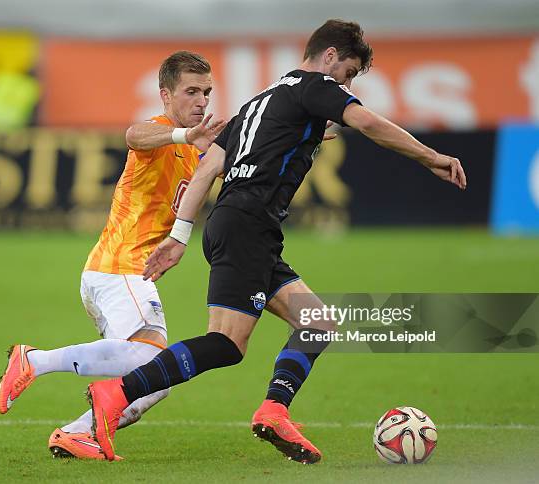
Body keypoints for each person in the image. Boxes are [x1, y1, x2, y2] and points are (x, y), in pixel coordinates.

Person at [86, 19, 467, 464]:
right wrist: (432, 157)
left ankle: (274, 410)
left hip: (246, 229)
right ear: (329, 57)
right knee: (227, 344)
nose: (346, 84)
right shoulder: (314, 85)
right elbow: (366, 121)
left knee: (318, 323)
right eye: (347, 73)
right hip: (247, 226)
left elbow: (209, 169)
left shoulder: (259, 102)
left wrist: (180, 235)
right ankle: (116, 392)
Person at [0, 51, 226, 460]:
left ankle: (76, 433)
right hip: (120, 268)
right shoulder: (162, 132)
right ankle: (35, 360)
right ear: (165, 95)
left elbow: (238, 156)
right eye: (191, 91)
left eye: (206, 92)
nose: (202, 101)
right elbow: (133, 135)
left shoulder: (197, 150)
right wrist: (182, 136)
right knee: (153, 357)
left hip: (121, 276)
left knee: (158, 379)